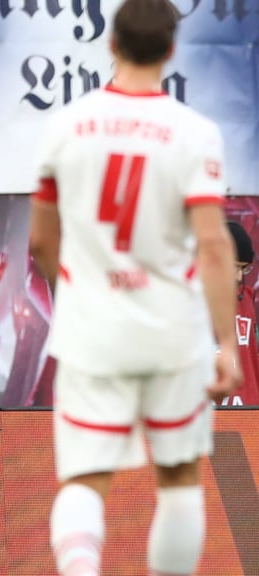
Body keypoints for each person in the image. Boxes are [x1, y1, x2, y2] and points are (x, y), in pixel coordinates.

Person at [27, 1, 242, 573]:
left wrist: (76, 301)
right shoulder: (195, 133)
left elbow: (43, 242)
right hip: (175, 333)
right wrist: (228, 343)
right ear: (172, 50)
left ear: (111, 43)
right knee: (178, 479)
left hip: (93, 332)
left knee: (84, 481)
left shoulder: (65, 126)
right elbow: (214, 245)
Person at [227, 220, 259, 405]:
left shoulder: (245, 299)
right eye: (235, 267)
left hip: (246, 415)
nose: (239, 276)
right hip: (203, 414)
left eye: (244, 268)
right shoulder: (188, 301)